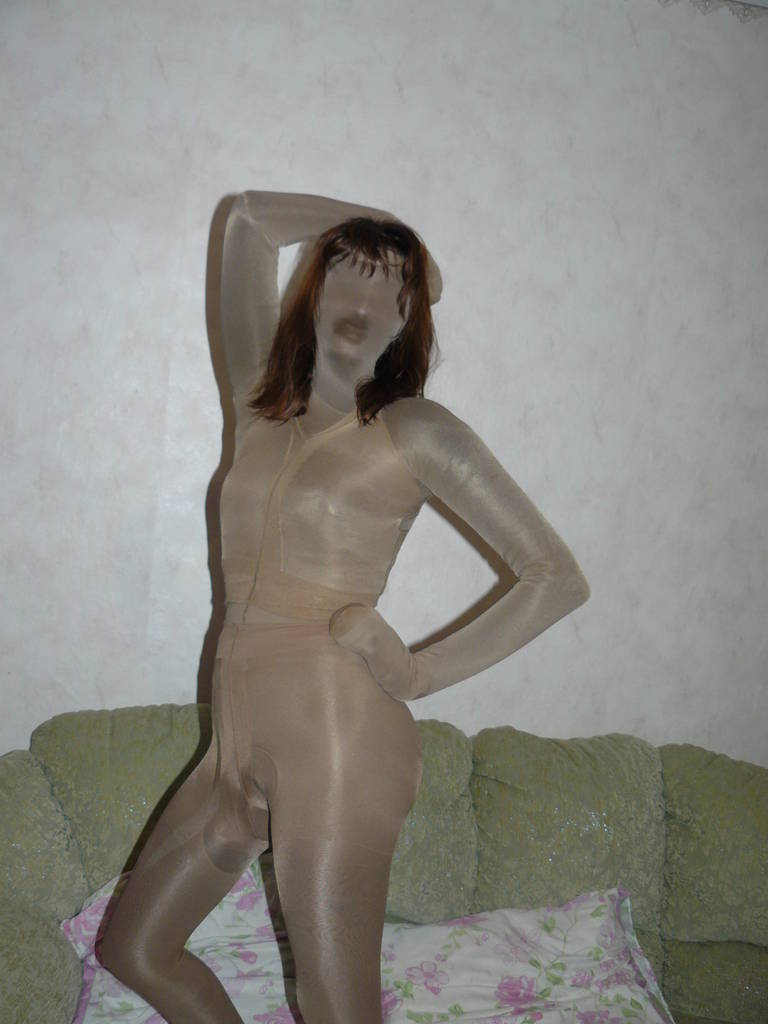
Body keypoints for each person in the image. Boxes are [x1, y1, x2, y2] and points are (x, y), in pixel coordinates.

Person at [99, 191, 591, 1024]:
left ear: (409, 320)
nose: (363, 301)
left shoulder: (416, 430)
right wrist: (382, 226)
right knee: (136, 951)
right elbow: (248, 222)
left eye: (392, 286)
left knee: (334, 1005)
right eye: (346, 275)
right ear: (313, 293)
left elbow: (556, 576)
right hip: (235, 737)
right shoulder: (259, 406)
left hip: (337, 732)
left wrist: (418, 672)